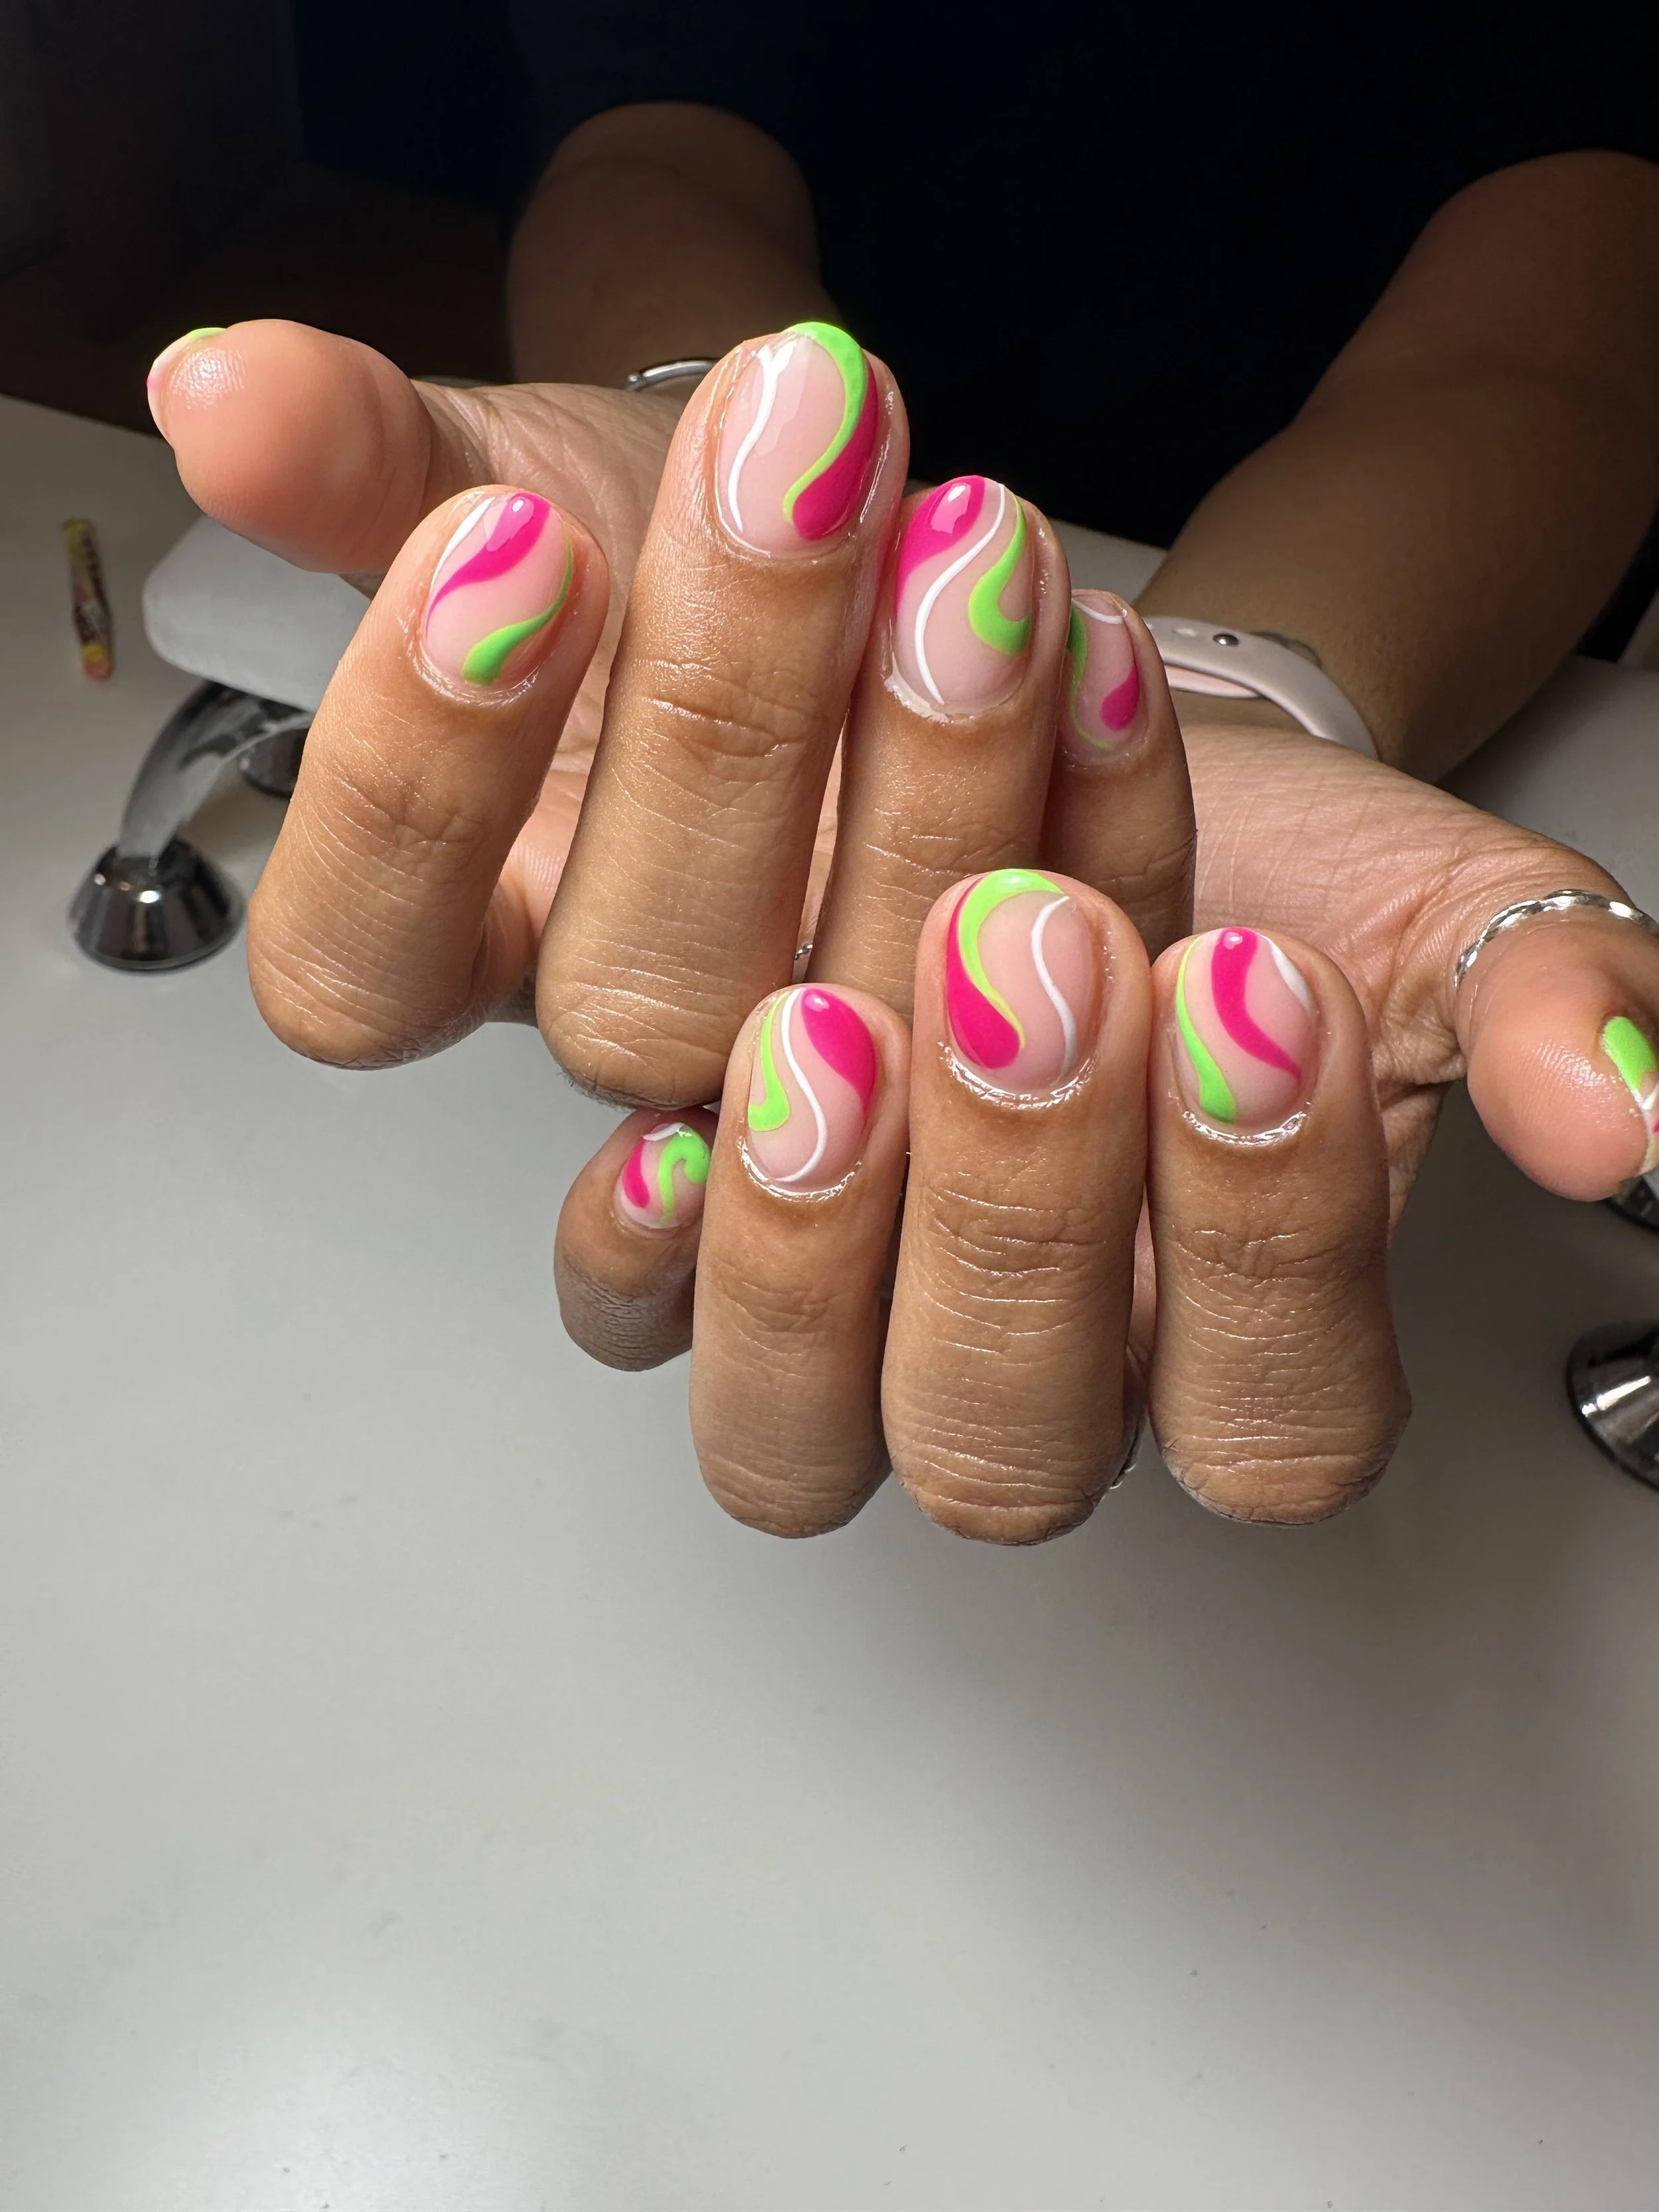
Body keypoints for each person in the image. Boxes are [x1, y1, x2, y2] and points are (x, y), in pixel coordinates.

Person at [141, 9, 1659, 1540]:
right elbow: (652, 137)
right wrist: (700, 458)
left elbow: (1560, 295)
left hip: (1386, 542)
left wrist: (1231, 710)